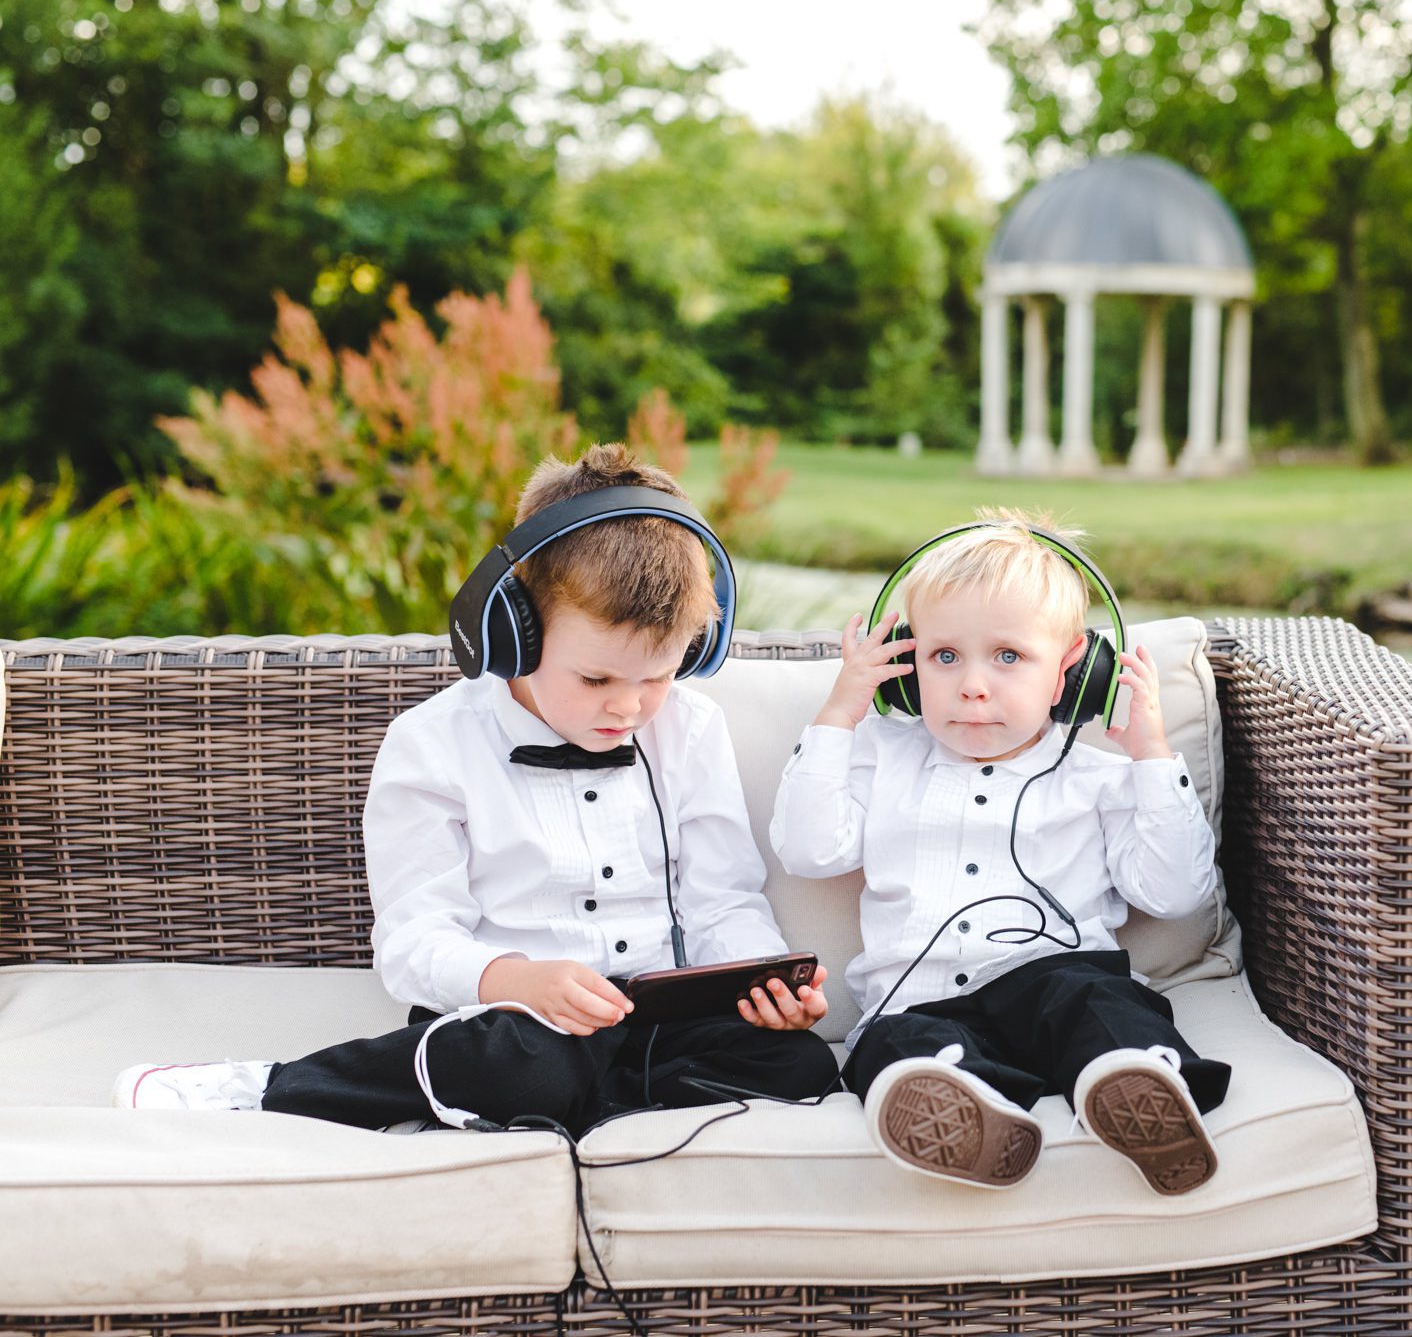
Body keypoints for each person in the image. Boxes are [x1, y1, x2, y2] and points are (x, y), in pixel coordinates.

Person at [114, 444, 836, 1134]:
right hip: (513, 1018)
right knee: (524, 1066)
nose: (629, 707)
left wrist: (762, 985)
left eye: (657, 677)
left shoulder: (690, 727)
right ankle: (267, 1086)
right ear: (514, 629)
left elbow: (720, 899)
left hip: (654, 1019)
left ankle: (569, 1099)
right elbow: (413, 939)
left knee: (797, 1062)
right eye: (596, 679)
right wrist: (513, 979)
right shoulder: (432, 745)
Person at [769, 511, 1229, 1194]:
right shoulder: (879, 752)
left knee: (1098, 999)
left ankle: (1133, 1080)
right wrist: (841, 712)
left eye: (1009, 656)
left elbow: (1173, 893)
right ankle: (964, 1113)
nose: (972, 684)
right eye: (944, 656)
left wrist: (1151, 755)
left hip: (1053, 980)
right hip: (917, 999)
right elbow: (808, 850)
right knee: (893, 1046)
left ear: (1073, 669)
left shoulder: (1098, 775)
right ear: (905, 664)